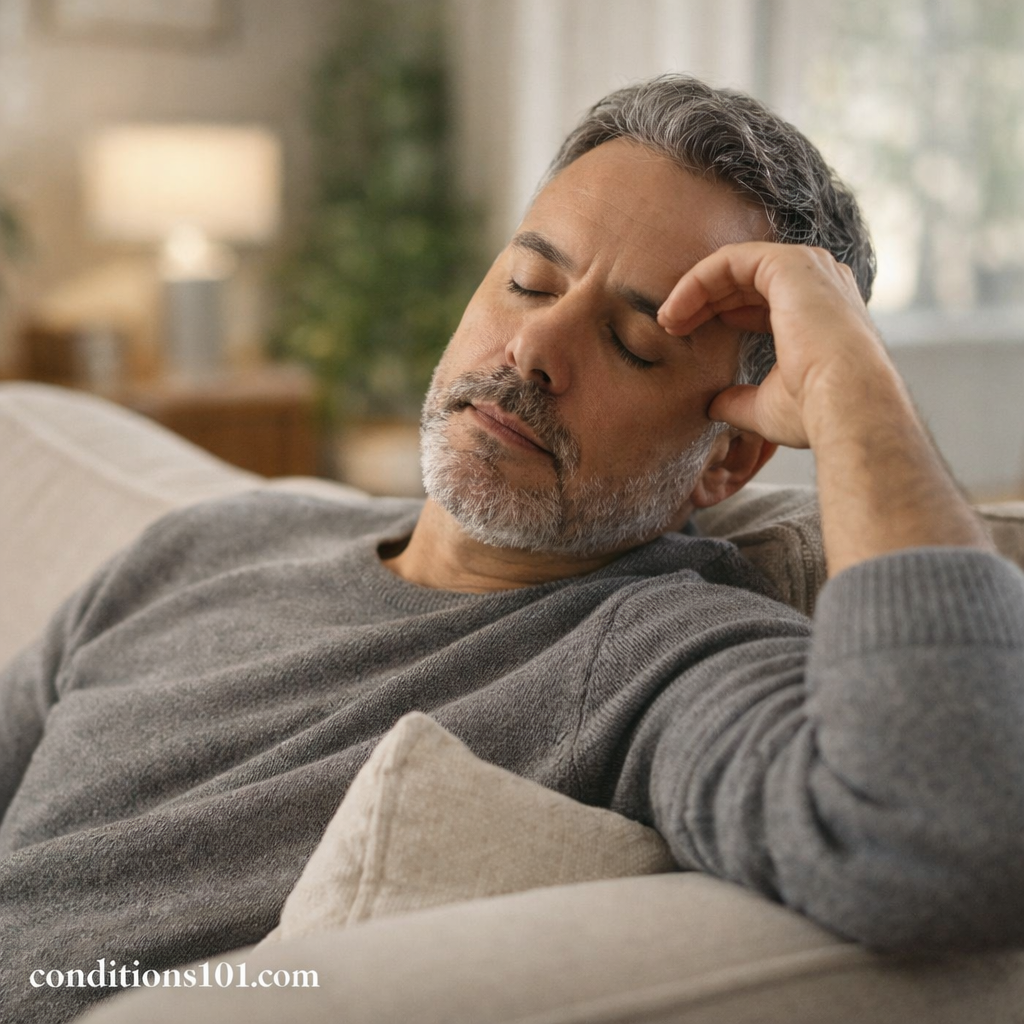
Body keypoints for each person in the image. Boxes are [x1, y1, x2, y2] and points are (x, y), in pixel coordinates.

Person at [3, 74, 1024, 1023]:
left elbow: (941, 834)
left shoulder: (652, 654)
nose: (534, 350)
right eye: (531, 284)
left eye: (633, 344)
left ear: (724, 463)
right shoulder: (206, 544)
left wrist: (850, 377)